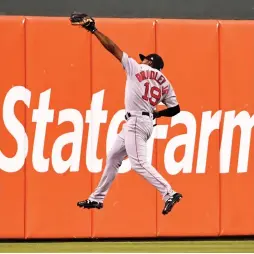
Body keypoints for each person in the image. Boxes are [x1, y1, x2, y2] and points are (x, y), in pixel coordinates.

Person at [70, 13, 183, 215]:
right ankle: (96, 198)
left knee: (139, 164)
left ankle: (169, 192)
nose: (143, 60)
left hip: (137, 122)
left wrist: (94, 30)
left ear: (149, 61)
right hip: (145, 122)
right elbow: (176, 109)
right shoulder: (165, 81)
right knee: (113, 156)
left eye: (145, 59)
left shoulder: (136, 67)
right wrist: (157, 115)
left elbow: (113, 49)